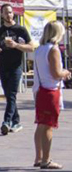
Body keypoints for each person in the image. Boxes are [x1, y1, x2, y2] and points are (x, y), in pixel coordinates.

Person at [0, 3, 36, 135]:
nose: (8, 15)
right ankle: (16, 122)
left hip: (16, 66)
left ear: (13, 13)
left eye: (10, 12)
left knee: (11, 95)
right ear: (2, 15)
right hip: (3, 66)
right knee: (9, 95)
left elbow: (31, 47)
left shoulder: (20, 30)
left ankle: (6, 121)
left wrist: (16, 45)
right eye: (5, 13)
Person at [33, 20, 71, 170]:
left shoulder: (40, 49)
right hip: (50, 90)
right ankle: (46, 160)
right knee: (48, 125)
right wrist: (66, 73)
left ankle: (39, 157)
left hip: (41, 88)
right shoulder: (53, 49)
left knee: (41, 124)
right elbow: (56, 74)